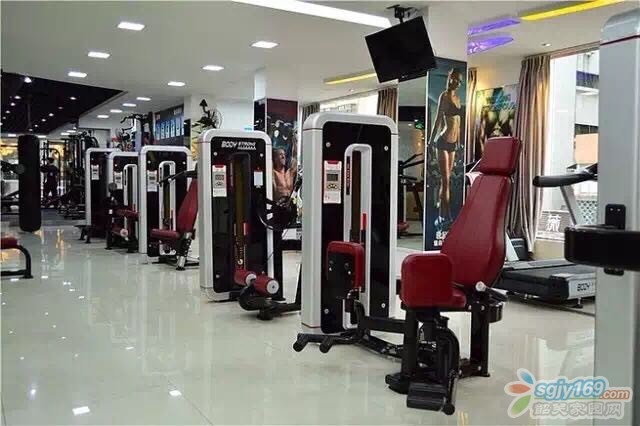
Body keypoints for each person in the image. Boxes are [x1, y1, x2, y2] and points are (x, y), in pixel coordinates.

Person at [428, 68, 463, 228]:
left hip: (453, 144)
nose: (456, 82)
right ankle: (445, 216)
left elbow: (458, 123)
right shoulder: (444, 96)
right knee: (446, 180)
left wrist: (460, 142)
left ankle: (443, 214)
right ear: (449, 78)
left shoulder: (458, 98)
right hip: (442, 141)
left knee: (447, 182)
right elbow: (437, 121)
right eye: (453, 79)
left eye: (459, 80)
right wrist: (430, 142)